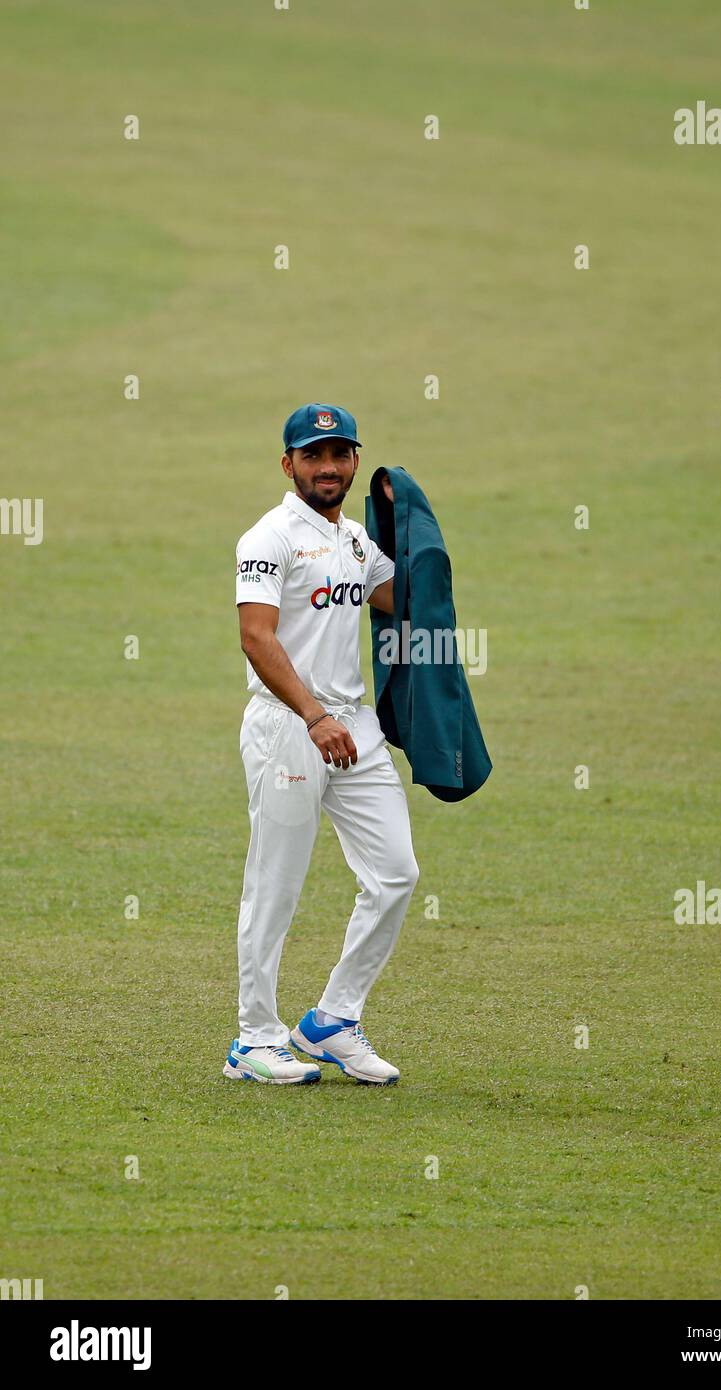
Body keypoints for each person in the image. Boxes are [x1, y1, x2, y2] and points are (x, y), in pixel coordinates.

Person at [223, 403, 419, 1087]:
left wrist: (411, 521)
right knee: (275, 884)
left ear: (355, 461)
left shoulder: (357, 541)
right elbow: (257, 638)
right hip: (290, 726)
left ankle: (334, 1018)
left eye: (340, 454)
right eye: (313, 455)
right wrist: (311, 715)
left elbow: (406, 596)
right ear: (289, 464)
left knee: (397, 872)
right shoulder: (268, 538)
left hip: (353, 727)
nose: (328, 467)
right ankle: (254, 1039)